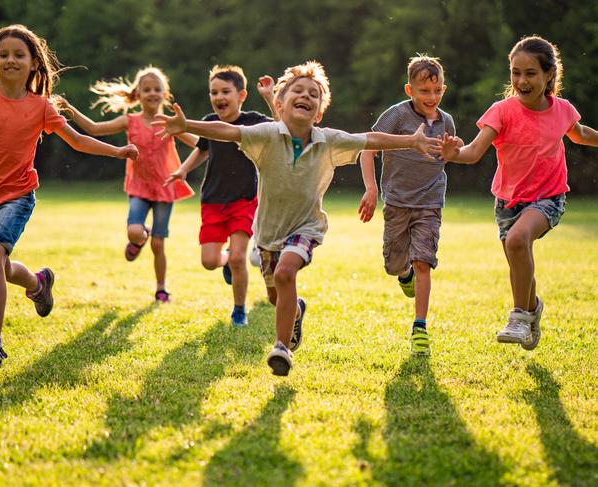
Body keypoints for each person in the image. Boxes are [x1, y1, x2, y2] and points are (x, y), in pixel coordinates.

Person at [154, 60, 442, 376]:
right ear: (279, 104)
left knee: (285, 273)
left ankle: (281, 347)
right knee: (276, 294)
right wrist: (188, 126)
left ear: (318, 112)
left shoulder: (328, 140)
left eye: (313, 94)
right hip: (267, 233)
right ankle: (295, 310)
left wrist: (411, 141)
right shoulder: (265, 135)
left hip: (306, 226)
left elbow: (370, 139)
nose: (306, 95)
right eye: (298, 91)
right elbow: (228, 130)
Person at [0, 24, 138, 368]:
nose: (10, 60)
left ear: (34, 63)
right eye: (3, 54)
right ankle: (38, 283)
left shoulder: (41, 107)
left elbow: (78, 140)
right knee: (2, 268)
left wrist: (118, 152)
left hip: (19, 194)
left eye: (19, 54)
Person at [441, 35, 598, 350]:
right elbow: (472, 153)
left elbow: (580, 136)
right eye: (516, 72)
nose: (521, 80)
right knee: (518, 258)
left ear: (549, 75)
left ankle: (518, 317)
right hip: (508, 202)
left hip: (549, 198)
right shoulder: (501, 111)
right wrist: (450, 154)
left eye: (530, 73)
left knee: (516, 241)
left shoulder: (563, 110)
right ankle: (532, 310)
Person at [63, 66, 196, 303]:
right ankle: (139, 239)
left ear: (165, 95)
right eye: (147, 89)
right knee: (134, 231)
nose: (152, 93)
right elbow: (94, 128)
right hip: (139, 186)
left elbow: (199, 144)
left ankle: (161, 288)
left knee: (158, 243)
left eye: (157, 89)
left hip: (166, 187)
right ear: (138, 94)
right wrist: (69, 110)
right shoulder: (129, 121)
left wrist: (187, 142)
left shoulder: (169, 122)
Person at [358, 55, 462, 356]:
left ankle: (419, 327)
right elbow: (368, 148)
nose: (431, 97)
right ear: (409, 90)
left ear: (443, 89)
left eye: (437, 90)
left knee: (423, 262)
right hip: (397, 202)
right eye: (424, 91)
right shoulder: (396, 117)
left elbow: (449, 156)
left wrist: (453, 151)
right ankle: (404, 276)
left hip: (430, 202)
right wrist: (371, 188)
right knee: (394, 265)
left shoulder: (446, 121)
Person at [166, 65, 276, 326]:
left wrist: (270, 98)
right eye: (213, 92)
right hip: (212, 201)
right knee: (209, 261)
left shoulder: (252, 121)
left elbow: (281, 128)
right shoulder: (208, 123)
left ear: (242, 95)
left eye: (225, 91)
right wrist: (182, 170)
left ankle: (239, 310)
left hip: (244, 200)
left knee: (240, 257)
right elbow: (202, 150)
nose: (218, 97)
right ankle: (225, 262)